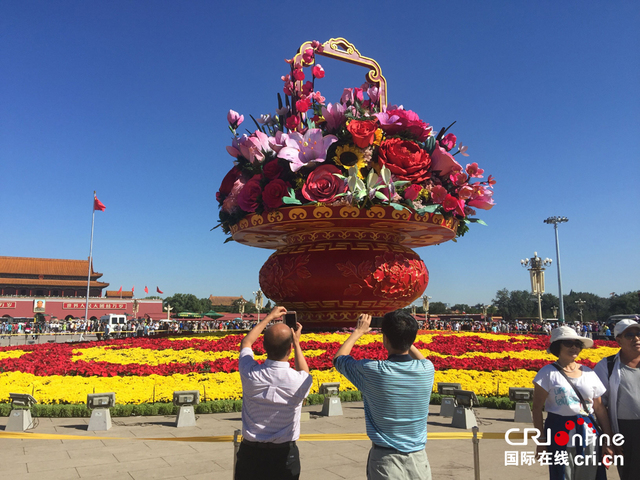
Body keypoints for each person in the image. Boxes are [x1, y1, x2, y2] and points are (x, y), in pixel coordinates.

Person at [333, 311, 435, 480]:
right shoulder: (427, 369)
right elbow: (421, 359)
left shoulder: (374, 371)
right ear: (412, 339)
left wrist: (358, 332)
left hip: (386, 461)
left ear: (385, 339)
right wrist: (405, 339)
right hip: (419, 460)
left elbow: (339, 359)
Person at [235, 306, 312, 480]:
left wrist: (269, 317)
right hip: (284, 455)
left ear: (263, 347)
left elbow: (246, 343)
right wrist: (297, 343)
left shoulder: (250, 373)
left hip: (250, 454)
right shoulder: (299, 381)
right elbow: (304, 372)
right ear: (290, 349)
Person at [532, 326, 613, 480]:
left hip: (589, 435)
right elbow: (536, 409)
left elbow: (599, 408)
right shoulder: (547, 373)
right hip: (559, 432)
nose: (574, 347)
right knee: (563, 475)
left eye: (577, 344)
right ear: (558, 347)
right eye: (568, 343)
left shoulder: (589, 372)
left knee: (589, 476)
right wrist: (541, 441)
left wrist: (608, 439)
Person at [594, 319, 640, 480]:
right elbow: (599, 406)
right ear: (618, 340)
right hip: (627, 431)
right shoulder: (607, 365)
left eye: (639, 334)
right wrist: (609, 436)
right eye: (630, 335)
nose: (636, 338)